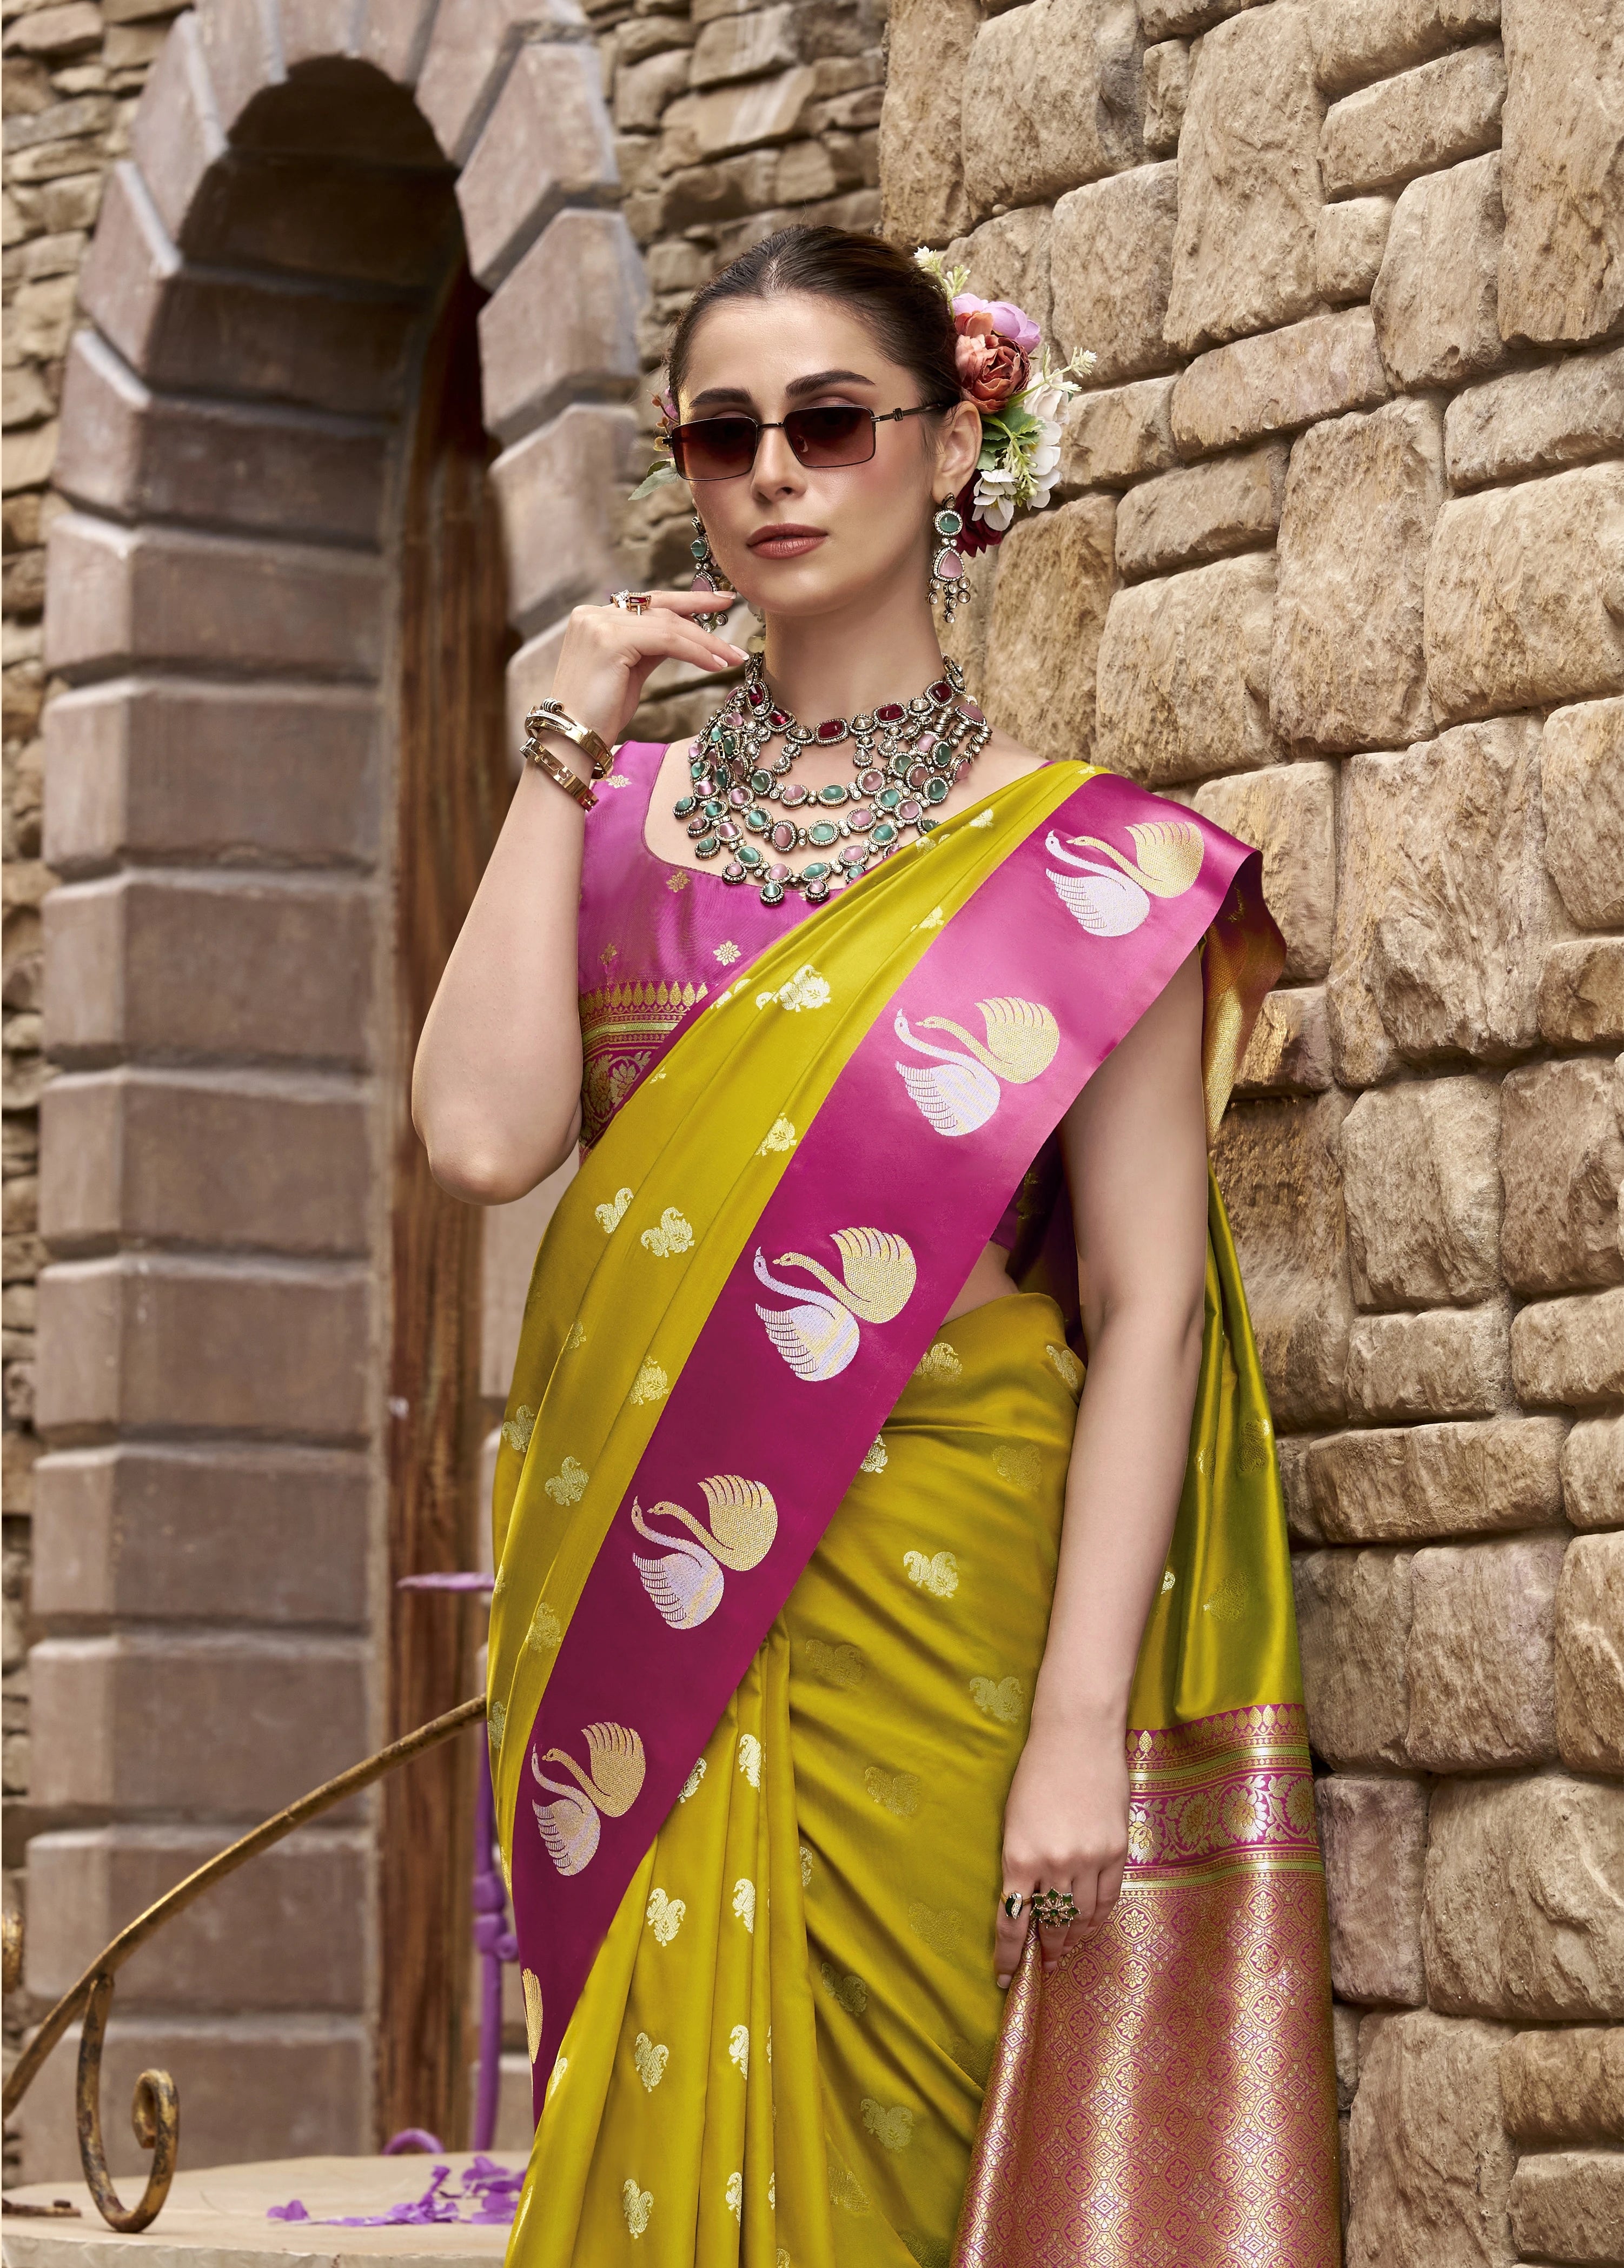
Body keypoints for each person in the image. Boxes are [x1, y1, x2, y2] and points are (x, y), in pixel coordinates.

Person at [413, 227, 1338, 2268]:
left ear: (946, 443)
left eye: (830, 420)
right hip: (640, 1602)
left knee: (923, 2169)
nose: (772, 472)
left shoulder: (1083, 863)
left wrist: (1078, 1725)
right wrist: (563, 744)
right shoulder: (618, 816)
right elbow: (481, 1137)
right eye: (721, 432)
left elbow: (1146, 1306)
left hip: (946, 1617)